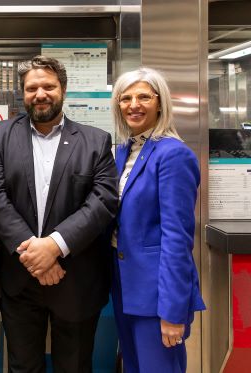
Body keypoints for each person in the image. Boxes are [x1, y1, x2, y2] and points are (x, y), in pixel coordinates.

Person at [0, 55, 118, 372]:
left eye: (48, 86)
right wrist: (35, 254)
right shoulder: (0, 136)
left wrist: (54, 246)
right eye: (32, 88)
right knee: (23, 368)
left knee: (75, 367)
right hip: (20, 280)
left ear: (63, 90)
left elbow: (103, 200)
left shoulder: (95, 141)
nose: (40, 94)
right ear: (23, 92)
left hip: (76, 279)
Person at [110, 67, 205, 373]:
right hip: (126, 286)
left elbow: (177, 239)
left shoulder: (173, 154)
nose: (133, 104)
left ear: (160, 102)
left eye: (143, 97)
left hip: (157, 295)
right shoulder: (124, 152)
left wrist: (173, 311)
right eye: (126, 98)